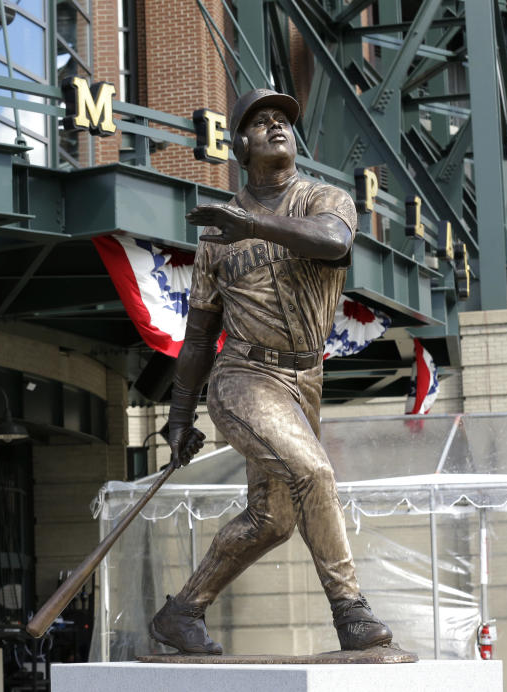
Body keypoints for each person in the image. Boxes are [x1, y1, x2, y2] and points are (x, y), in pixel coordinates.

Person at [148, 88, 393, 655]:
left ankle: (181, 613)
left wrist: (250, 223)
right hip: (244, 378)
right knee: (315, 474)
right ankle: (351, 612)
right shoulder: (216, 237)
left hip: (305, 381)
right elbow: (201, 335)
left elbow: (334, 243)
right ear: (241, 144)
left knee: (272, 520)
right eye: (261, 122)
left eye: (283, 118)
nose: (276, 126)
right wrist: (180, 416)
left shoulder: (324, 199)